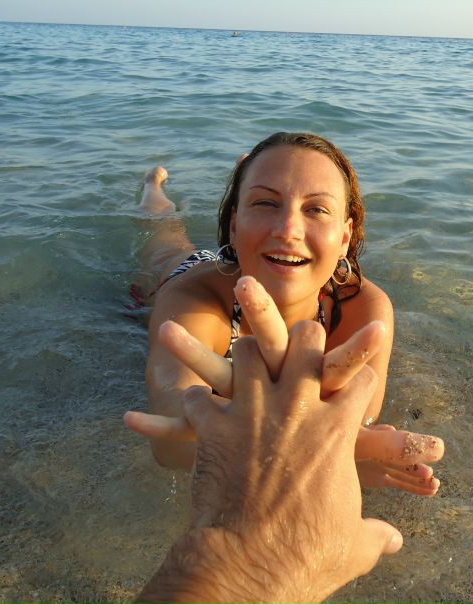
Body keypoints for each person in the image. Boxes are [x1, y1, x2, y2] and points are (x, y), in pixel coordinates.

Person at [125, 132, 444, 496]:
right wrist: (315, 454)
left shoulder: (364, 308)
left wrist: (350, 449)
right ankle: (153, 186)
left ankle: (254, 181)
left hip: (254, 257)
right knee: (162, 234)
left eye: (316, 209)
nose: (288, 230)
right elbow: (169, 437)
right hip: (196, 272)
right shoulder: (194, 300)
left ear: (345, 238)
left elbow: (359, 422)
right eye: (267, 204)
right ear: (233, 226)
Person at [134, 312, 405, 603]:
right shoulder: (199, 304)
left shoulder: (360, 303)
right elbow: (167, 445)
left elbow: (354, 422)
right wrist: (269, 558)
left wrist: (342, 455)